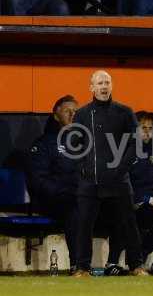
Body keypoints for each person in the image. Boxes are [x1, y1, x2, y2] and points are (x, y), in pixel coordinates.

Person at [72, 70, 146, 277]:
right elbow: (75, 145)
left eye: (107, 82)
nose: (104, 87)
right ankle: (82, 268)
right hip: (90, 182)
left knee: (129, 224)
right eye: (100, 83)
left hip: (119, 181)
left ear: (111, 86)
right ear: (91, 88)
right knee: (84, 225)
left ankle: (137, 266)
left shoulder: (125, 112)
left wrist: (120, 168)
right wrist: (82, 168)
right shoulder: (82, 114)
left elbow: (135, 144)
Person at [106, 111, 153, 276]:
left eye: (151, 128)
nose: (148, 131)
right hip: (133, 202)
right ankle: (136, 261)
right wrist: (146, 198)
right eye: (143, 128)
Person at [27, 95, 79, 274]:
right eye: (67, 111)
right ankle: (77, 265)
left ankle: (121, 264)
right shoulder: (44, 144)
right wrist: (65, 191)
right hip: (51, 200)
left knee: (119, 203)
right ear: (56, 115)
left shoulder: (84, 144)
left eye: (75, 112)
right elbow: (38, 180)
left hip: (79, 197)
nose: (72, 115)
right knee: (75, 206)